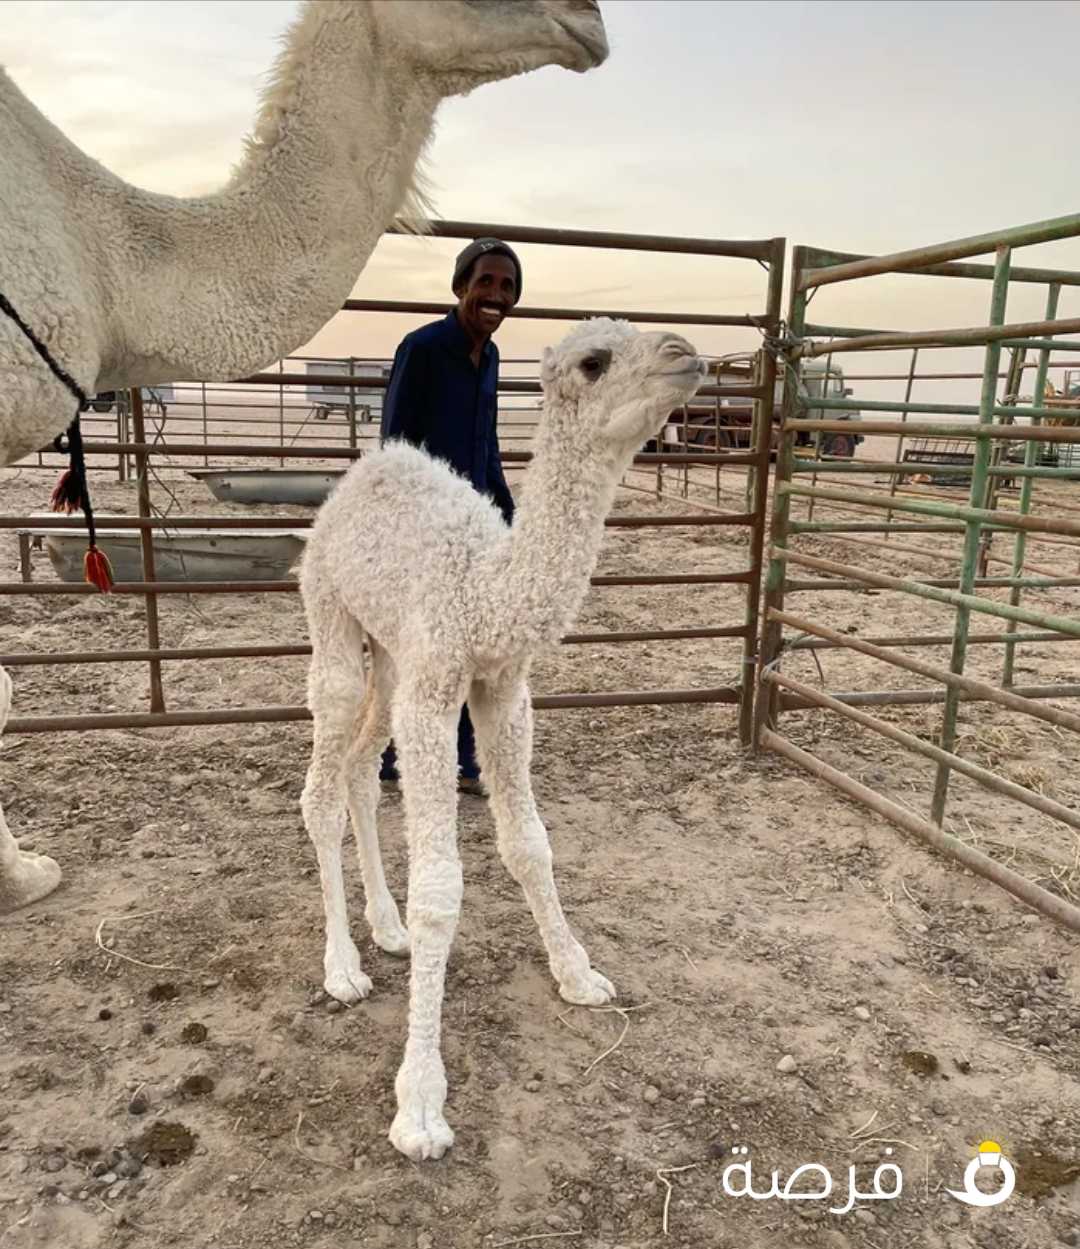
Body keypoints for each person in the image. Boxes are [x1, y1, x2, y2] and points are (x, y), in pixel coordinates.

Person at [377, 237, 522, 796]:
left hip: (477, 530)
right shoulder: (423, 348)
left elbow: (486, 445)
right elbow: (395, 444)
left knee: (470, 643)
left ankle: (463, 760)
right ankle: (395, 757)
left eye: (507, 286)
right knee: (425, 646)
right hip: (428, 530)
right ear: (461, 285)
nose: (495, 294)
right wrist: (407, 529)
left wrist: (508, 517)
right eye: (485, 281)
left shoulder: (491, 358)